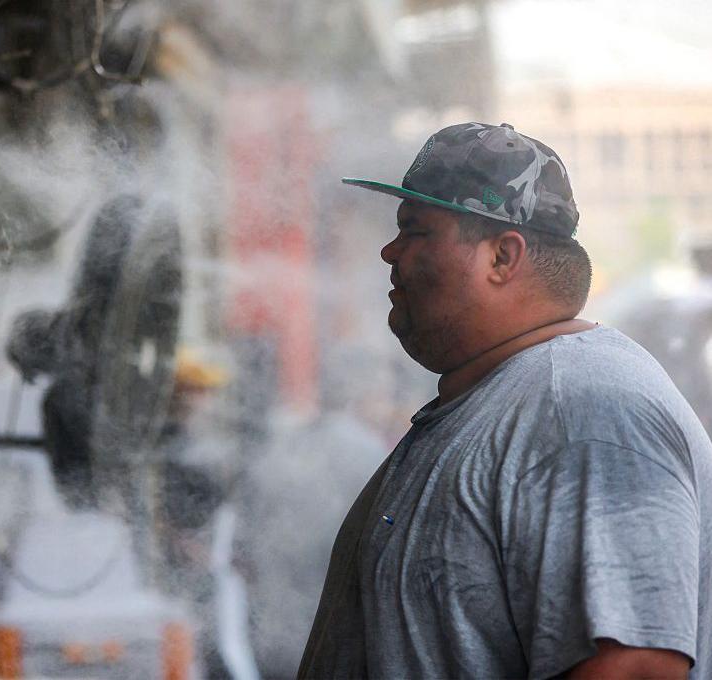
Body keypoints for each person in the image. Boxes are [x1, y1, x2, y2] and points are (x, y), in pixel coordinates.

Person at [298, 122, 712, 679]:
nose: (389, 251)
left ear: (502, 257)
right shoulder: (509, 399)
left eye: (415, 230)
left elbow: (635, 668)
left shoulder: (582, 411)